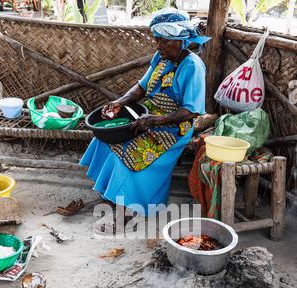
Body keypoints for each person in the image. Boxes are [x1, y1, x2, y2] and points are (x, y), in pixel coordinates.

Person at [80, 8, 210, 224]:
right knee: (107, 137)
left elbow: (192, 111)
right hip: (148, 114)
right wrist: (120, 102)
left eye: (164, 41)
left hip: (175, 126)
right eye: (156, 40)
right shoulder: (161, 58)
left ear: (179, 40)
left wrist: (156, 121)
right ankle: (112, 194)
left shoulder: (192, 66)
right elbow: (141, 87)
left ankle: (129, 211)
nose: (158, 46)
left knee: (131, 150)